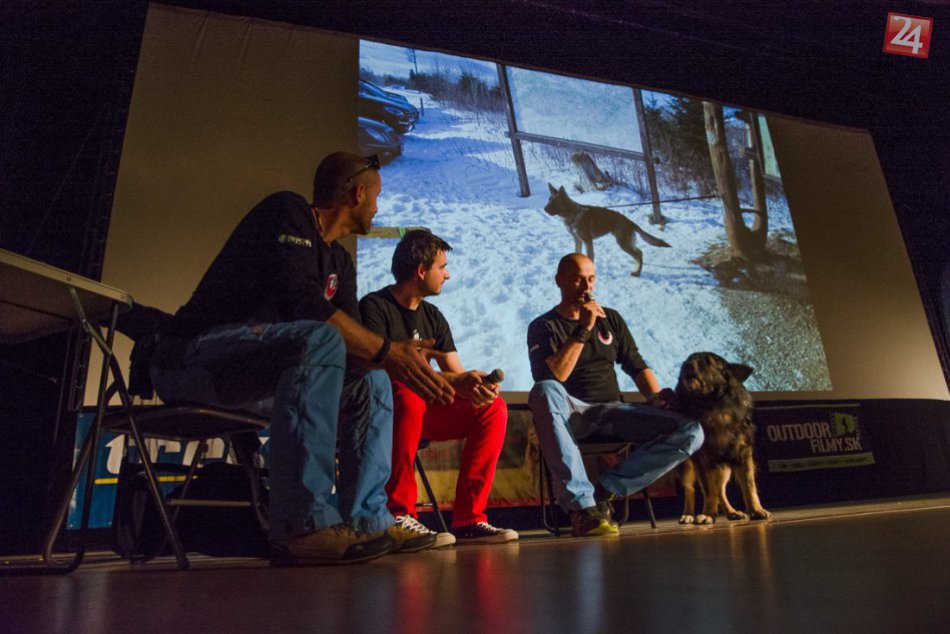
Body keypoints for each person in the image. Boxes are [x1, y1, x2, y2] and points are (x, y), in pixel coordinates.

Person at [150, 152, 455, 565]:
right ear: (357, 193)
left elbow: (353, 343)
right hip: (195, 360)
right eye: (378, 196)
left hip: (264, 377)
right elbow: (304, 304)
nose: (380, 207)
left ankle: (368, 518)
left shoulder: (340, 262)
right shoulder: (287, 211)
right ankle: (302, 524)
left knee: (371, 378)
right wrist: (386, 350)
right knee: (323, 338)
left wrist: (384, 360)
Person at [527, 253, 704, 537]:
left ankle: (605, 490)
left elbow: (635, 364)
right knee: (544, 390)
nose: (587, 287)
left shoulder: (611, 319)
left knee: (691, 431)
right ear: (559, 281)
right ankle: (582, 509)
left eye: (591, 279)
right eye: (577, 279)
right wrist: (583, 328)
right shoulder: (544, 325)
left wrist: (656, 397)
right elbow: (554, 376)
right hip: (573, 414)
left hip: (612, 411)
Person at [360, 230, 518, 545]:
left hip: (420, 413)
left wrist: (478, 388)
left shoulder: (433, 316)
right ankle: (398, 514)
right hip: (381, 413)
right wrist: (454, 381)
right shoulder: (374, 307)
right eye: (442, 267)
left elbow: (454, 375)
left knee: (493, 408)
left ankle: (469, 519)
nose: (448, 274)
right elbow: (375, 369)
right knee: (406, 394)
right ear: (421, 271)